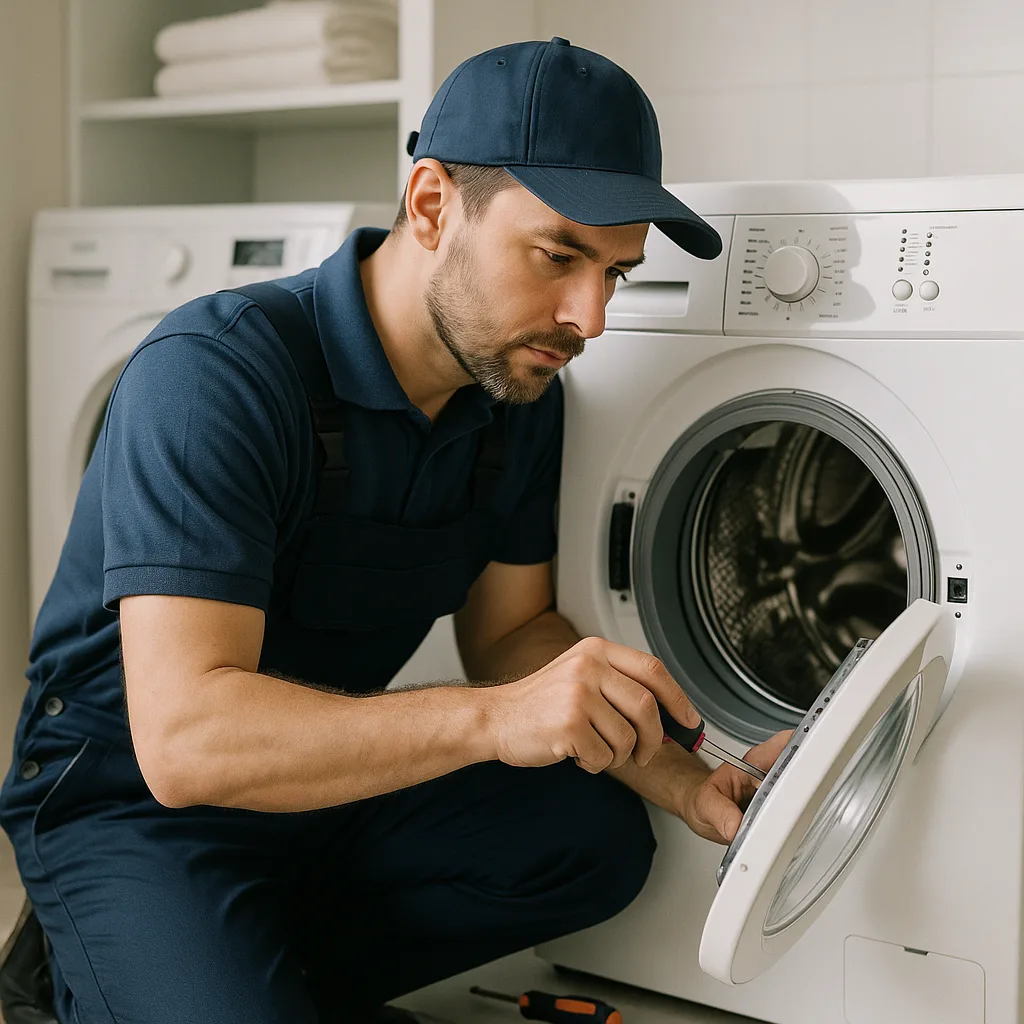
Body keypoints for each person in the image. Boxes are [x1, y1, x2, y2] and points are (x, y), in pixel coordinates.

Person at [0, 36, 789, 1024]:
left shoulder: (517, 398)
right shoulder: (214, 373)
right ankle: (98, 961)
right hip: (136, 802)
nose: (588, 317)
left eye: (615, 274)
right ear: (430, 205)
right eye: (558, 257)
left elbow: (510, 634)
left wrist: (685, 777)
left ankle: (232, 976)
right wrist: (494, 719)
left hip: (321, 787)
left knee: (593, 839)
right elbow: (186, 743)